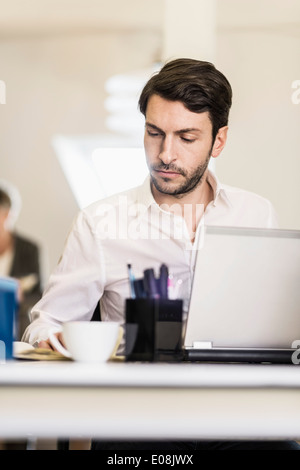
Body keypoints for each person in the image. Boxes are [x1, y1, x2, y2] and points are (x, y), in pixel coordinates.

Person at [23, 58, 299, 450]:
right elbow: (44, 324)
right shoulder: (100, 222)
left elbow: (273, 325)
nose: (166, 154)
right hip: (141, 420)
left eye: (186, 138)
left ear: (218, 140)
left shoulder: (256, 213)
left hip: (238, 414)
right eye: (155, 133)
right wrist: (56, 338)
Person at [0, 182, 42, 340]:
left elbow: (39, 295)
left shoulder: (30, 249)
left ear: (8, 214)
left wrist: (19, 295)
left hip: (14, 322)